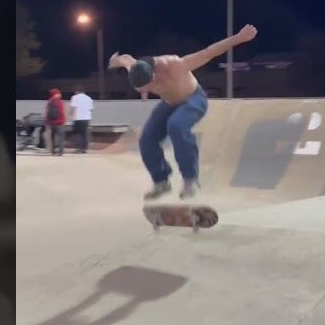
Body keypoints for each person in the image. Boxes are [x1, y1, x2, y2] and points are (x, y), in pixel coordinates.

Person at [109, 23, 257, 199]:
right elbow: (125, 58)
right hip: (169, 103)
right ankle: (161, 181)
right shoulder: (135, 67)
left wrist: (239, 37)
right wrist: (115, 60)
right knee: (146, 139)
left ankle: (190, 179)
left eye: (151, 85)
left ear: (155, 74)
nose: (152, 88)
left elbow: (209, 52)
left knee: (176, 125)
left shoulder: (176, 64)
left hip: (193, 100)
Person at [69, 85, 94, 153]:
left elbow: (73, 108)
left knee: (77, 133)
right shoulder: (89, 98)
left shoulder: (74, 97)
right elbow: (91, 109)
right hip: (86, 118)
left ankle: (78, 148)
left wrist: (70, 116)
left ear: (77, 91)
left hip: (77, 118)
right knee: (85, 134)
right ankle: (84, 149)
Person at [44, 88, 67, 156]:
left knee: (53, 136)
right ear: (56, 94)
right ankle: (60, 151)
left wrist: (47, 122)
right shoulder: (59, 102)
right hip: (59, 122)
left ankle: (53, 151)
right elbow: (61, 112)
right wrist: (63, 120)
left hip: (52, 123)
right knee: (61, 137)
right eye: (59, 93)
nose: (60, 94)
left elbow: (47, 113)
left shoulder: (49, 102)